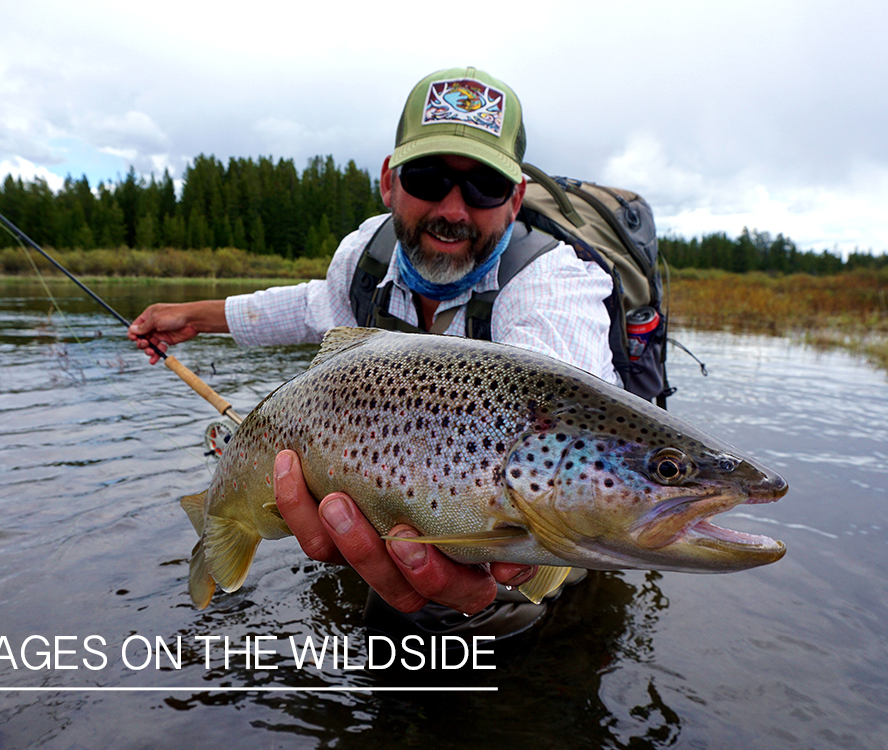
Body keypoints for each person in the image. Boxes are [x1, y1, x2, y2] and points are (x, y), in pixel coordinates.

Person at [129, 67, 619, 627]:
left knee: (464, 616)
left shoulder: (556, 281)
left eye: (484, 187)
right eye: (428, 179)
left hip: (526, 533)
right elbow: (311, 306)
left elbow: (566, 396)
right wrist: (190, 317)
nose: (453, 210)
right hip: (411, 505)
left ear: (515, 200)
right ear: (389, 182)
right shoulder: (367, 256)